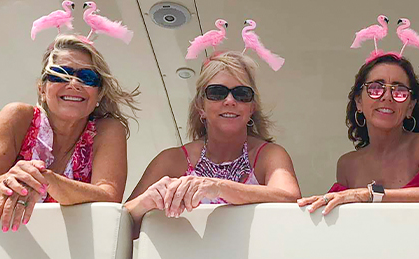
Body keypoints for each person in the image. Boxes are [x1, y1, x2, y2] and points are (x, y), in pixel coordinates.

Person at [0, 35, 140, 231]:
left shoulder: (107, 130)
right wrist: (8, 183)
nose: (74, 83)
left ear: (99, 94)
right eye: (60, 74)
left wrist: (46, 180)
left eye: (87, 78)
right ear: (42, 89)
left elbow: (109, 198)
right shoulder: (18, 116)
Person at [124, 52, 300, 225]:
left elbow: (291, 199)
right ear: (200, 106)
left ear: (252, 108)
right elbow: (123, 222)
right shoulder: (172, 160)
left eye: (242, 94)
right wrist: (146, 202)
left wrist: (219, 187)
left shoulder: (268, 155)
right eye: (217, 92)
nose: (230, 101)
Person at [299, 54, 419, 215]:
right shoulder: (347, 164)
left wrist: (370, 195)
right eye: (375, 88)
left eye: (399, 91)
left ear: (410, 106)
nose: (387, 96)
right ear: (359, 102)